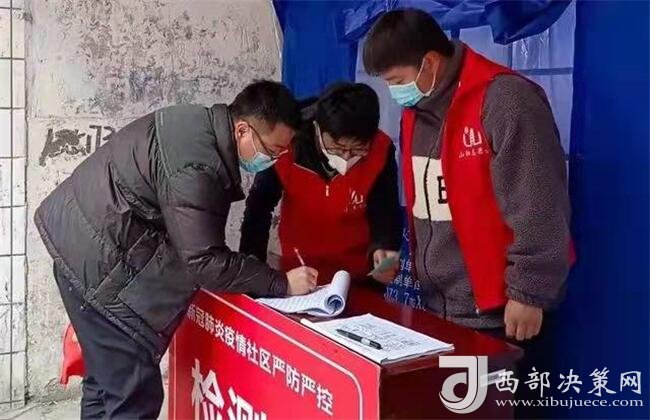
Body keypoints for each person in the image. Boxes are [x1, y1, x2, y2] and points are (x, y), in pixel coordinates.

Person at [34, 80, 318, 419]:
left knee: (105, 383)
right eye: (272, 150)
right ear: (243, 130)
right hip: (99, 266)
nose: (272, 160)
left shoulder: (196, 126)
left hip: (80, 243)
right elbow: (204, 261)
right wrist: (281, 283)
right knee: (133, 395)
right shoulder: (199, 165)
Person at [363, 9, 572, 342]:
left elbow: (539, 203)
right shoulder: (416, 111)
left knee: (489, 379)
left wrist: (528, 291)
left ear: (429, 63)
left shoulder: (505, 100)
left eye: (398, 81)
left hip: (501, 312)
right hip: (438, 308)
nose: (394, 93)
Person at [240, 82, 402, 285]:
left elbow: (385, 210)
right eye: (337, 147)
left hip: (358, 275)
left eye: (358, 149)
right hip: (299, 271)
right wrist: (252, 264)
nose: (346, 157)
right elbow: (259, 206)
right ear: (318, 128)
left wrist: (383, 248)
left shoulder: (380, 149)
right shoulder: (286, 142)